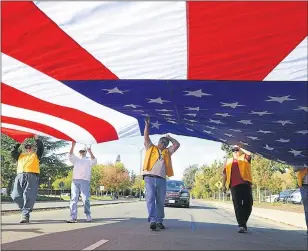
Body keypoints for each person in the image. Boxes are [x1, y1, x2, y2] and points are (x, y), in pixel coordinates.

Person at [142, 117, 180, 230]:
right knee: (150, 198)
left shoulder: (168, 152)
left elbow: (177, 145)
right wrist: (147, 126)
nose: (163, 143)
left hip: (161, 179)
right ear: (158, 142)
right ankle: (152, 220)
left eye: (165, 143)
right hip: (149, 177)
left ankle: (159, 221)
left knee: (160, 201)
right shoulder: (150, 147)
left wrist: (170, 137)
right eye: (162, 141)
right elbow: (146, 137)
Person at [11, 135, 44, 223]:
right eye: (27, 147)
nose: (28, 148)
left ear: (33, 148)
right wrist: (19, 141)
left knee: (29, 196)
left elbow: (41, 147)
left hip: (31, 176)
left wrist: (36, 138)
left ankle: (25, 215)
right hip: (19, 175)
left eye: (30, 147)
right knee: (15, 195)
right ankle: (24, 210)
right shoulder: (21, 156)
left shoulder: (36, 155)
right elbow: (13, 152)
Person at [222, 145, 253, 233]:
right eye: (233, 150)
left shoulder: (245, 157)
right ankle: (242, 225)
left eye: (236, 150)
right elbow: (224, 174)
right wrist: (223, 185)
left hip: (246, 183)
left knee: (248, 204)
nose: (235, 151)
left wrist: (240, 147)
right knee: (238, 205)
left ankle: (243, 222)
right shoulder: (228, 161)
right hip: (234, 185)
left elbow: (249, 153)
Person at [67, 142, 97, 223]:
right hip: (75, 181)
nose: (81, 153)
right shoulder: (76, 159)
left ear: (85, 152)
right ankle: (73, 217)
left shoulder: (88, 160)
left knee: (85, 199)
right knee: (73, 199)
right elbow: (70, 155)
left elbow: (94, 160)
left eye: (83, 151)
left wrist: (90, 151)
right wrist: (72, 146)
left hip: (85, 181)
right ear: (79, 152)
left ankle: (88, 214)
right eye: (80, 151)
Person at [293, 166, 308, 234]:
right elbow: (295, 168)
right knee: (307, 209)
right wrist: (304, 166)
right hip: (304, 186)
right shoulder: (301, 157)